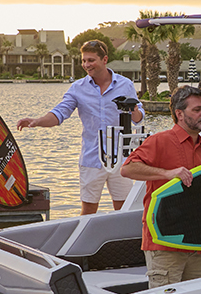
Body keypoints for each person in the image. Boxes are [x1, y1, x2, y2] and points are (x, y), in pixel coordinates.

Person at [16, 39, 143, 215]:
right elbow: (60, 113)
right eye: (83, 60)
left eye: (91, 60)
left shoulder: (125, 84)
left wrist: (133, 109)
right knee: (88, 212)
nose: (86, 65)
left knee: (123, 211)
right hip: (92, 158)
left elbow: (138, 118)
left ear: (104, 59)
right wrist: (37, 121)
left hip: (120, 159)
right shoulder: (78, 88)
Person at [120, 86, 201, 286]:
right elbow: (127, 169)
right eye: (197, 110)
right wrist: (167, 173)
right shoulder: (160, 141)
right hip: (164, 244)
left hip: (198, 245)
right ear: (179, 114)